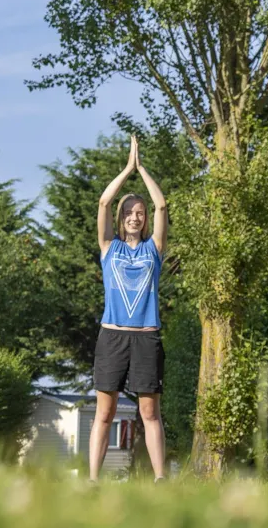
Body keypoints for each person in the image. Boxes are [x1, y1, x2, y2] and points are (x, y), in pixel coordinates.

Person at [91, 135, 168, 482]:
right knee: (104, 412)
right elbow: (104, 202)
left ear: (145, 219)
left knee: (149, 412)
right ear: (121, 218)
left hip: (146, 338)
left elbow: (162, 205)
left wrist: (143, 169)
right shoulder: (109, 247)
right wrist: (126, 169)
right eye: (129, 213)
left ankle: (160, 479)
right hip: (112, 338)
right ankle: (93, 480)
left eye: (139, 213)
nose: (134, 217)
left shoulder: (154, 248)